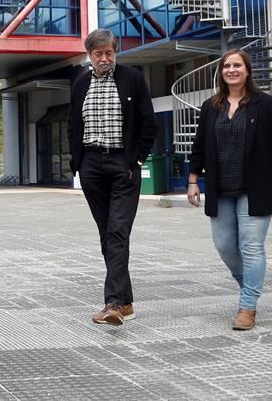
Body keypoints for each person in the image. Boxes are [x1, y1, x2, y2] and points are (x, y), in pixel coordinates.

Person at [187, 49, 272, 330]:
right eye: (226, 66)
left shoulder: (266, 104)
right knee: (224, 245)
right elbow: (199, 146)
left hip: (256, 188)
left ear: (247, 71)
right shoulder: (211, 106)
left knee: (251, 246)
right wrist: (193, 180)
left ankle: (247, 306)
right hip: (220, 189)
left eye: (237, 65)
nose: (231, 70)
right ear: (221, 72)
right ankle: (249, 285)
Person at [68, 28, 157, 326]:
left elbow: (148, 123)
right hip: (91, 165)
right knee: (107, 232)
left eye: (109, 52)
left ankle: (114, 304)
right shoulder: (80, 83)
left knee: (117, 230)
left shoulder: (132, 78)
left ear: (115, 52)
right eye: (98, 53)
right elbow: (72, 125)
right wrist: (78, 163)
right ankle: (126, 301)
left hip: (123, 164)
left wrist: (137, 159)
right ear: (90, 55)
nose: (104, 58)